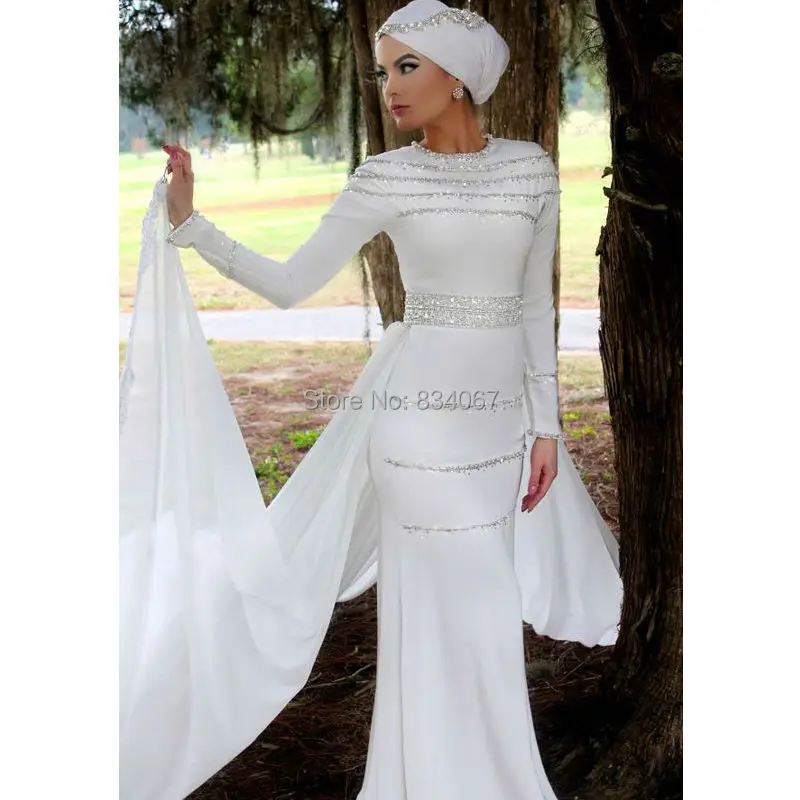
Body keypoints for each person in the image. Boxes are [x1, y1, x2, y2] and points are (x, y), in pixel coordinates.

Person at [119, 1, 623, 798]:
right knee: (442, 612)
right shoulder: (384, 177)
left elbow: (533, 308)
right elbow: (290, 283)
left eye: (406, 66)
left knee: (486, 618)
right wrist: (193, 226)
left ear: (458, 77)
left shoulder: (530, 169)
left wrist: (547, 429)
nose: (389, 85)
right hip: (416, 437)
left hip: (498, 440)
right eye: (383, 70)